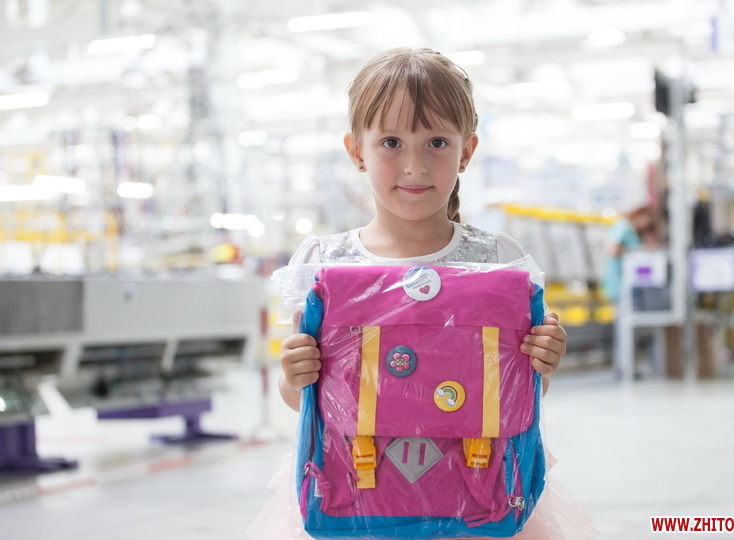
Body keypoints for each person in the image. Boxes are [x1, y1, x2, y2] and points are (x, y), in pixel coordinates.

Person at [247, 47, 598, 540]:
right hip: (356, 493)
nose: (415, 166)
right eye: (391, 142)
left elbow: (519, 397)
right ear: (357, 151)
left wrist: (542, 361)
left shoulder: (498, 260)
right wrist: (294, 374)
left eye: (436, 142)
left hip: (473, 496)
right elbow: (305, 401)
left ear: (466, 152)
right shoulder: (325, 264)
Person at [600, 204, 658, 306]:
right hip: (618, 275)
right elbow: (612, 249)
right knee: (622, 307)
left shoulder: (635, 231)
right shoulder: (623, 226)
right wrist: (634, 250)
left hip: (631, 279)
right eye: (645, 219)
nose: (645, 224)